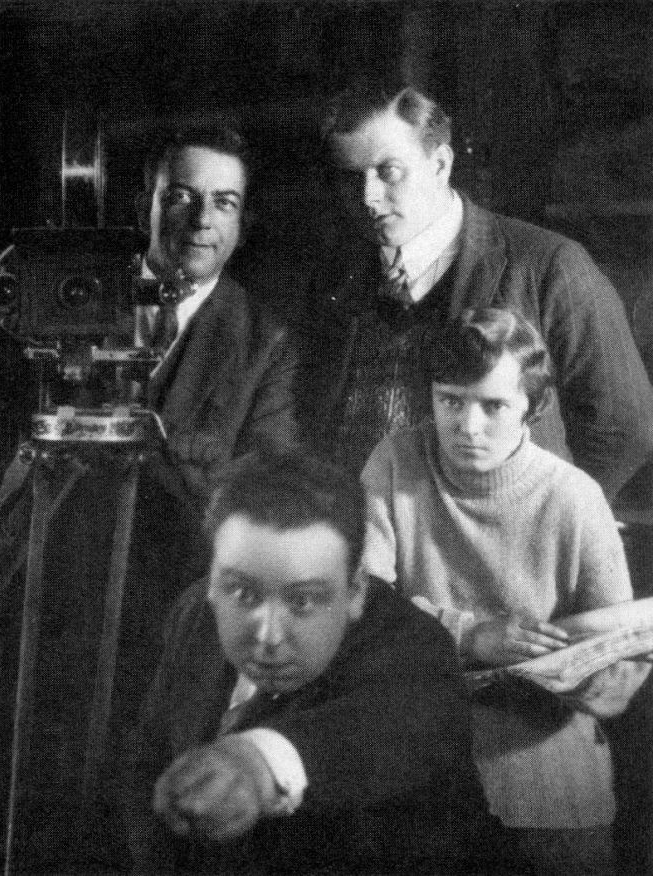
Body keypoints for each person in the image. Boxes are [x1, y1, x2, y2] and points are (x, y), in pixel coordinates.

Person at [0, 125, 299, 872]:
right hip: (30, 602)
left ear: (242, 222)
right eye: (181, 197)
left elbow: (271, 495)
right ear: (146, 202)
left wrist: (158, 447)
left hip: (155, 619)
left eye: (223, 203)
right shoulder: (62, 284)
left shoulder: (263, 342)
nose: (200, 221)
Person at [358, 307, 649, 876]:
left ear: (531, 409)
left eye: (493, 406)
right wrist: (472, 635)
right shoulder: (395, 461)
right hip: (417, 769)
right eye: (450, 400)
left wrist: (605, 682)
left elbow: (624, 651)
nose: (467, 425)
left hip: (550, 785)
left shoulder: (575, 497)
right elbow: (361, 603)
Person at [125, 446, 503, 875]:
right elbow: (148, 772)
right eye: (243, 593)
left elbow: (382, 729)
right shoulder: (195, 616)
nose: (268, 636)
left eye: (303, 600)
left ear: (355, 590)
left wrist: (256, 764)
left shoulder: (415, 649)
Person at [295, 77, 653, 502]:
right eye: (350, 178)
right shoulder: (335, 273)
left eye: (388, 172)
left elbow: (625, 431)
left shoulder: (549, 266)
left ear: (441, 164)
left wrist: (543, 524)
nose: (369, 197)